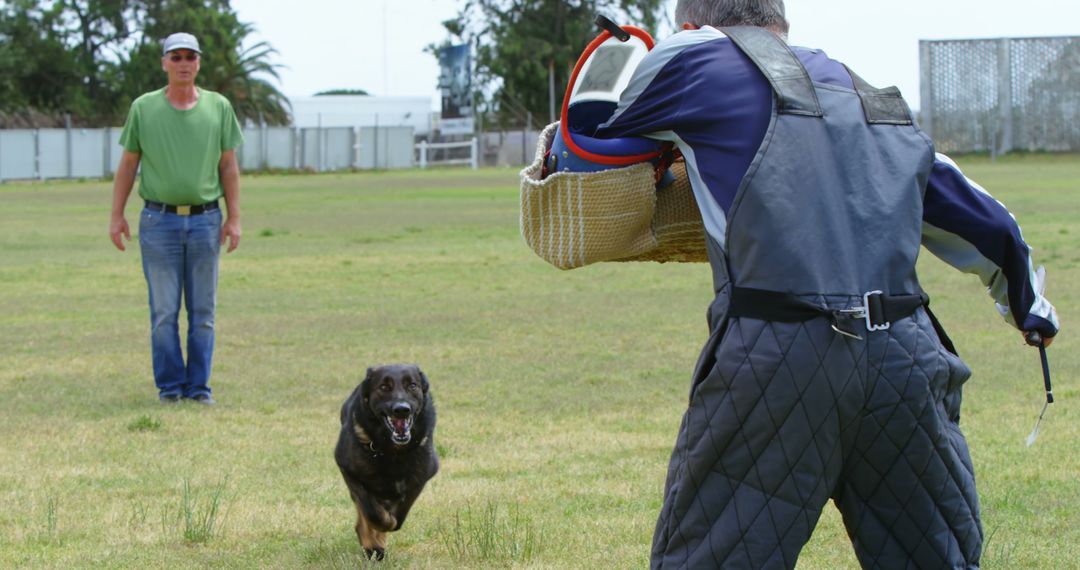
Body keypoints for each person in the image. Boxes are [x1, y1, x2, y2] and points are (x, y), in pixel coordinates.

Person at [592, 1, 1060, 568]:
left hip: (778, 351)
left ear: (694, 23)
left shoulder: (696, 56)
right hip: (904, 357)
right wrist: (1030, 313)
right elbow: (985, 219)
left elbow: (590, 122)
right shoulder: (867, 93)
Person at [109, 32, 244, 406]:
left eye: (190, 56)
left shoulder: (218, 107)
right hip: (159, 221)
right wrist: (116, 214)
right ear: (164, 63)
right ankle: (170, 387)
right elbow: (128, 164)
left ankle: (199, 387)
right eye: (176, 57)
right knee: (164, 312)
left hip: (205, 221)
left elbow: (228, 164)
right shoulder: (144, 108)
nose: (183, 63)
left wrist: (234, 218)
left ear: (198, 63)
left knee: (203, 312)